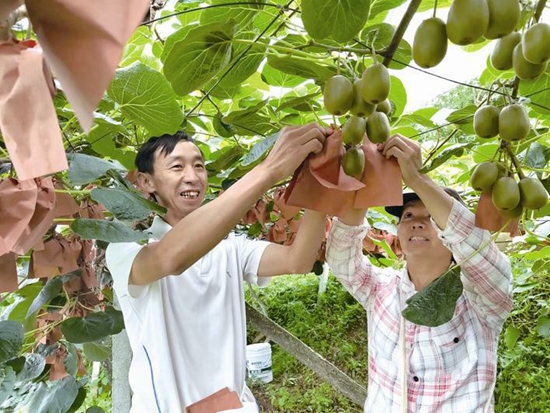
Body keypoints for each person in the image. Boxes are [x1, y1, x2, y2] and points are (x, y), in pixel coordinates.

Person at [105, 125, 329, 413]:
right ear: (147, 182)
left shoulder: (231, 247)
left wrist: (322, 183)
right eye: (177, 167)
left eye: (199, 166)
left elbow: (298, 260)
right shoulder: (127, 248)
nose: (192, 176)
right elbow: (170, 258)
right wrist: (269, 170)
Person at [326, 134, 513, 412]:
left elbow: (481, 253)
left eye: (432, 217)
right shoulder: (380, 289)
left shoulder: (481, 301)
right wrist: (364, 181)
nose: (417, 224)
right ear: (398, 232)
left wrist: (417, 179)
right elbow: (340, 258)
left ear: (451, 235)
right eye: (409, 216)